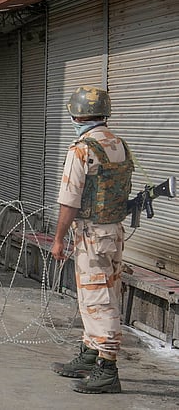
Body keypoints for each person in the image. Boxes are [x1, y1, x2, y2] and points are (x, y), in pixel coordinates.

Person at [50, 86, 132, 394]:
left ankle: (107, 368)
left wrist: (58, 239)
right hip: (112, 232)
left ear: (76, 114)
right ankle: (90, 353)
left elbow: (69, 200)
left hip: (91, 235)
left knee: (99, 300)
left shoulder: (82, 148)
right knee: (97, 293)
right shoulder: (119, 144)